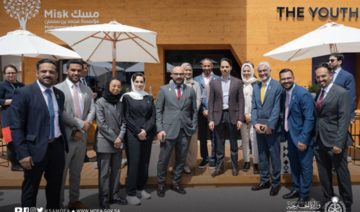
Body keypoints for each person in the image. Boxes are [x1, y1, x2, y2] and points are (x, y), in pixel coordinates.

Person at [10, 59, 69, 208]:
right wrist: (22, 153)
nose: (47, 74)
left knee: (55, 188)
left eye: (51, 72)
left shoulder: (59, 94)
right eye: (44, 71)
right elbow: (16, 127)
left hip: (56, 147)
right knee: (30, 189)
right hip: (33, 149)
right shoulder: (23, 93)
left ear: (56, 74)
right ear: (37, 73)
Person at [55, 59, 96, 210]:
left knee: (76, 172)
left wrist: (82, 130)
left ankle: (74, 201)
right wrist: (79, 125)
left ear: (83, 71)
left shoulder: (87, 90)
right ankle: (58, 204)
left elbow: (92, 110)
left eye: (79, 70)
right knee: (61, 173)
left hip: (81, 138)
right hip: (65, 138)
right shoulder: (57, 89)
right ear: (67, 70)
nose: (76, 73)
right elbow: (59, 112)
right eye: (73, 70)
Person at [314, 62, 353, 212]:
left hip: (335, 142)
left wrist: (339, 143)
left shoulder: (341, 92)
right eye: (318, 77)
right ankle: (330, 200)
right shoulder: (319, 91)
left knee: (342, 174)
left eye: (323, 76)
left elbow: (344, 119)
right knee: (324, 175)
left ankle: (346, 204)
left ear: (331, 75)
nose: (321, 79)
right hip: (319, 141)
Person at [156, 66, 197, 197]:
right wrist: (160, 129)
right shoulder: (163, 89)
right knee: (164, 159)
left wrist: (194, 125)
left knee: (181, 159)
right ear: (172, 75)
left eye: (181, 74)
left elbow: (194, 111)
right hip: (168, 130)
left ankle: (175, 183)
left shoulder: (190, 90)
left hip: (185, 130)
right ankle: (161, 184)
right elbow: (158, 111)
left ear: (184, 75)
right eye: (176, 74)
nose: (179, 76)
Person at [279, 69, 315, 207]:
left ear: (293, 78)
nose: (286, 81)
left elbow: (309, 119)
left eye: (288, 78)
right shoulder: (285, 93)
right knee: (294, 165)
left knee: (305, 167)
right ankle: (297, 189)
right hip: (290, 136)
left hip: (302, 139)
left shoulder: (303, 94)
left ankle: (304, 195)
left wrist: (304, 139)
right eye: (283, 79)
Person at [122, 73, 155, 205]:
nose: (139, 84)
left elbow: (152, 117)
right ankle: (130, 193)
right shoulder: (127, 97)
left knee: (144, 162)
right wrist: (138, 131)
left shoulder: (148, 97)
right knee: (134, 162)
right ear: (132, 82)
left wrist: (145, 130)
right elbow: (126, 117)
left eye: (141, 82)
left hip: (146, 133)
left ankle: (141, 188)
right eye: (137, 82)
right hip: (132, 134)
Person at [94, 78, 127, 209]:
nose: (116, 89)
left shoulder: (119, 103)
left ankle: (114, 195)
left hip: (117, 141)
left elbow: (124, 122)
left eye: (119, 87)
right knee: (104, 173)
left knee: (117, 170)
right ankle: (103, 198)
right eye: (114, 86)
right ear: (108, 86)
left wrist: (120, 137)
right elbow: (101, 124)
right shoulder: (100, 102)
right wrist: (116, 139)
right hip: (105, 141)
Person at [208, 58, 244, 177]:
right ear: (220, 68)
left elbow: (241, 101)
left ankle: (234, 166)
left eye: (226, 67)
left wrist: (240, 118)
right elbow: (211, 102)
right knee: (219, 143)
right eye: (222, 67)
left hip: (232, 115)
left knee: (234, 143)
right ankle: (219, 167)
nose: (224, 69)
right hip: (219, 115)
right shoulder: (214, 83)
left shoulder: (238, 82)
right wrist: (211, 119)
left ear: (230, 68)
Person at [251, 61, 282, 196]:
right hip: (259, 126)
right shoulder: (256, 86)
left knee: (274, 156)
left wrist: (270, 124)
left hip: (272, 127)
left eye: (264, 70)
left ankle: (275, 183)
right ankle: (264, 181)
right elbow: (253, 107)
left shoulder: (277, 86)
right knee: (262, 155)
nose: (262, 73)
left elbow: (277, 108)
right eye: (260, 71)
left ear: (269, 71)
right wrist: (255, 123)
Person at [169, 63, 202, 174]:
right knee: (176, 145)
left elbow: (198, 100)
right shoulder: (171, 83)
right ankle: (176, 166)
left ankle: (187, 165)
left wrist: (191, 111)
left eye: (189, 70)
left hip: (190, 118)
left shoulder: (196, 84)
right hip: (176, 119)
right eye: (185, 70)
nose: (188, 72)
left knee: (190, 144)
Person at [194, 58, 219, 169]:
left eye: (208, 66)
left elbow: (219, 98)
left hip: (214, 113)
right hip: (201, 113)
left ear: (212, 66)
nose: (207, 68)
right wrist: (203, 110)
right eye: (205, 66)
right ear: (202, 67)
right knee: (203, 137)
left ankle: (213, 158)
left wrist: (211, 110)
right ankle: (204, 158)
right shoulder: (196, 80)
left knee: (214, 137)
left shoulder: (218, 79)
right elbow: (196, 97)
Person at [0, 65, 25, 171]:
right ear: (5, 74)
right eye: (8, 73)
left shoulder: (21, 85)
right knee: (11, 142)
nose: (11, 75)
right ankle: (14, 165)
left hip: (21, 117)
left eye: (13, 73)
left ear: (16, 73)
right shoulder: (1, 85)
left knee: (21, 141)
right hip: (8, 118)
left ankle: (22, 161)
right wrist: (15, 100)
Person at [239, 62, 260, 174]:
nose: (246, 73)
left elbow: (259, 102)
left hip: (254, 117)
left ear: (252, 71)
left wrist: (252, 115)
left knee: (254, 140)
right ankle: (247, 161)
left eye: (248, 71)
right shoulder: (239, 84)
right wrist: (243, 114)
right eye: (244, 71)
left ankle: (256, 163)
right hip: (242, 117)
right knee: (245, 139)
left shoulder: (256, 84)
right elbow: (236, 102)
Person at [328, 53, 356, 125]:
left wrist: (351, 114)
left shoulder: (347, 76)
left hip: (341, 113)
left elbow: (351, 97)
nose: (329, 62)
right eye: (329, 60)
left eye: (332, 60)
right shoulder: (328, 75)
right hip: (328, 113)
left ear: (340, 62)